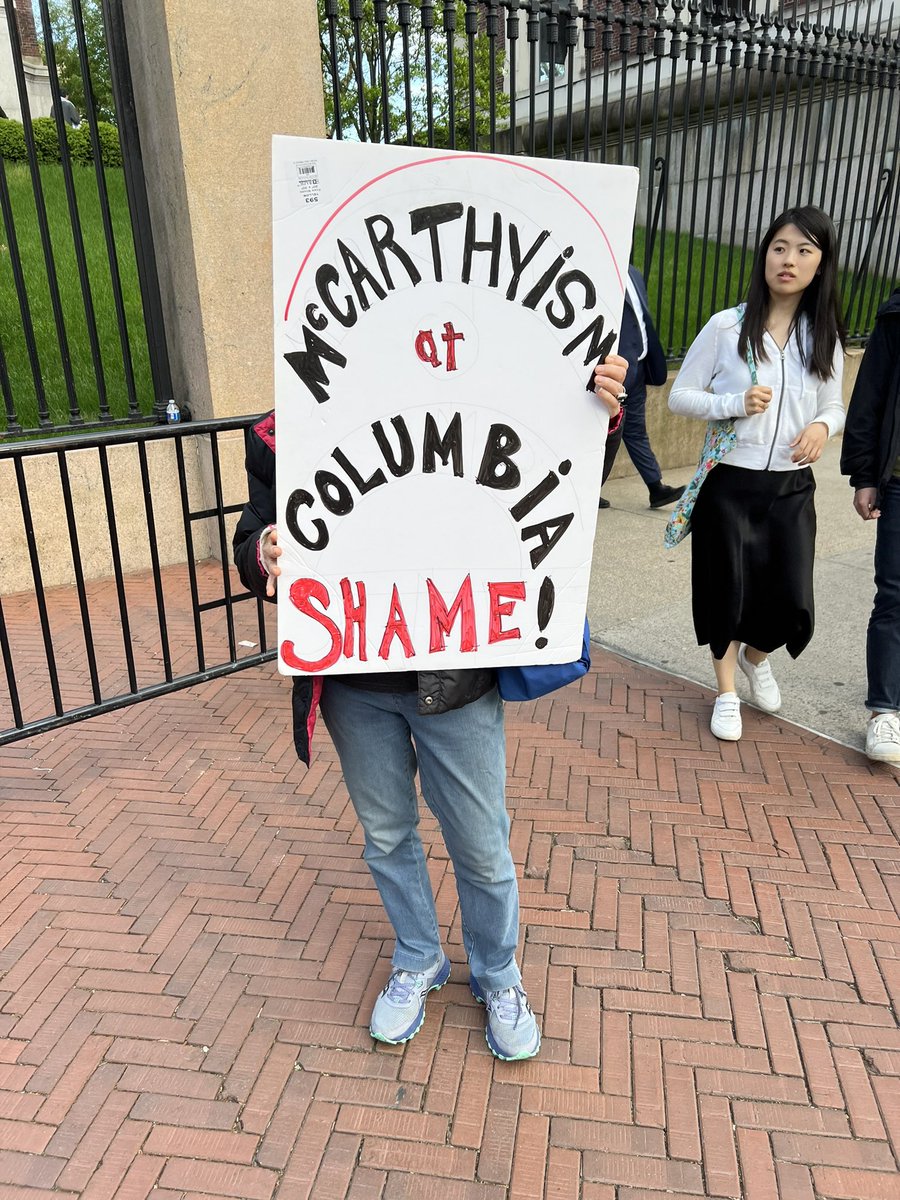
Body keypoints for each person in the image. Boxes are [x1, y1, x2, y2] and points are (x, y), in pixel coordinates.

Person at [233, 354, 629, 1061]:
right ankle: (419, 956)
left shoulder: (481, 385)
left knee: (481, 844)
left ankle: (497, 972)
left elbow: (557, 479)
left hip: (456, 676)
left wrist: (592, 413)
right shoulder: (300, 423)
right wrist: (264, 548)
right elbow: (255, 531)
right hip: (355, 678)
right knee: (386, 834)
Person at [668, 205, 846, 741]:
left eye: (804, 250)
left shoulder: (824, 336)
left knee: (791, 601)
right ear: (764, 254)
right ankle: (726, 693)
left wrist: (821, 427)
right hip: (730, 482)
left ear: (820, 265)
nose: (788, 260)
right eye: (779, 247)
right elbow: (679, 397)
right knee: (725, 591)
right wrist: (733, 402)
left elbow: (836, 405)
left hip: (790, 487)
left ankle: (755, 656)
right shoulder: (726, 327)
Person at [840, 288, 900, 764]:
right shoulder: (896, 314)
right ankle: (884, 709)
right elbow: (871, 395)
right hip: (899, 481)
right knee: (894, 594)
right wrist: (864, 474)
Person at [600, 265, 685, 510]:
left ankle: (656, 488)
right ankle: (590, 485)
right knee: (606, 432)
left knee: (636, 430)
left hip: (637, 368)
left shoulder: (634, 273)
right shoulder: (601, 270)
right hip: (615, 372)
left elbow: (641, 319)